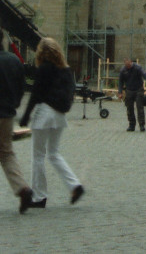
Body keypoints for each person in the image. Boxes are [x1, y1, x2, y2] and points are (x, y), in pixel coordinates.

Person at [19, 37, 84, 208]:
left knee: (38, 156)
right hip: (59, 114)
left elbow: (36, 93)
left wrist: (26, 115)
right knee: (54, 153)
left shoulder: (44, 68)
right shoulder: (66, 69)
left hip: (44, 113)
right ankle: (74, 185)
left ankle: (40, 196)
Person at [0, 30, 33, 213]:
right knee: (6, 153)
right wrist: (15, 104)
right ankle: (22, 187)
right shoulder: (14, 60)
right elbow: (22, 87)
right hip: (7, 114)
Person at [118, 57, 146, 132]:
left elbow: (145, 75)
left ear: (131, 62)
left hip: (138, 90)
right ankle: (131, 125)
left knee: (140, 108)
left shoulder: (138, 68)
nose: (128, 67)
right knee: (129, 108)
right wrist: (120, 92)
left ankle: (142, 125)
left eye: (129, 65)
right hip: (129, 90)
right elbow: (120, 82)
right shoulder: (123, 70)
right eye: (126, 65)